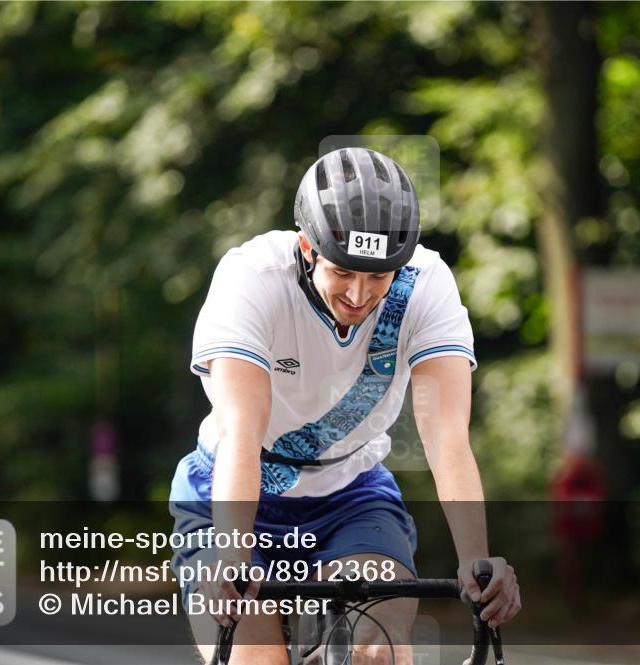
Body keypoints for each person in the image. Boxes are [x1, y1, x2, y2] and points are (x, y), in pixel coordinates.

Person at [170, 147, 521, 665]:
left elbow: (447, 437)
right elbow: (241, 436)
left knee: (376, 650)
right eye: (344, 272)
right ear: (309, 247)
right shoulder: (253, 278)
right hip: (231, 488)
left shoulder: (424, 284)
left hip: (349, 496)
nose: (360, 294)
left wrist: (475, 558)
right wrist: (231, 553)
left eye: (378, 277)